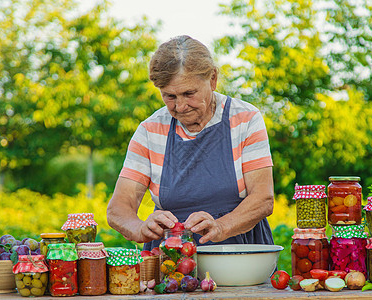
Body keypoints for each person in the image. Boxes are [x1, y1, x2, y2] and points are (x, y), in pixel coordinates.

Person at [106, 35, 274, 250]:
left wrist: (221, 227)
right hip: (171, 260)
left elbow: (263, 198)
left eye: (189, 93)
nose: (181, 106)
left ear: (213, 79)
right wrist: (139, 228)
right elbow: (119, 208)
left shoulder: (245, 119)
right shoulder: (150, 131)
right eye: (170, 96)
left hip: (238, 254)